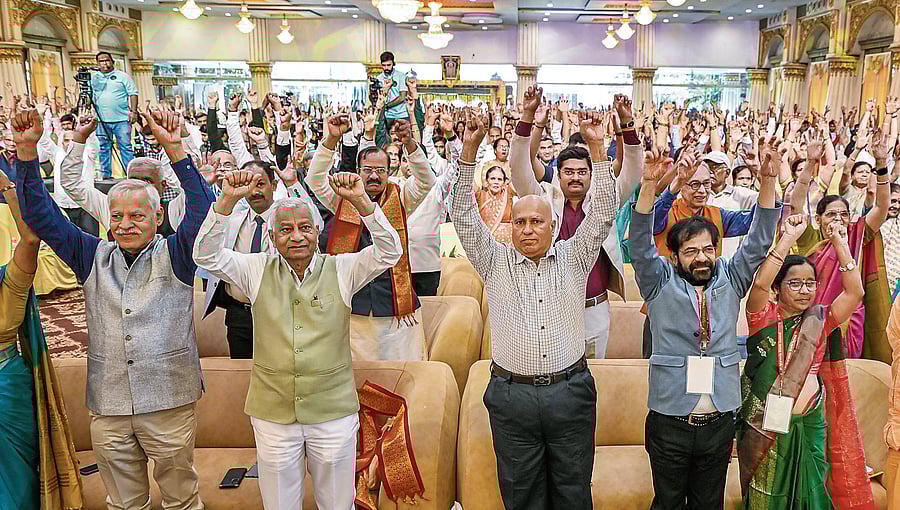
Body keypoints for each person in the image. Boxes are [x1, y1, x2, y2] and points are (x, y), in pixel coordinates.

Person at [13, 107, 214, 510]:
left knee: (181, 500)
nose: (125, 224)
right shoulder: (90, 255)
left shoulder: (177, 253)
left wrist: (176, 151)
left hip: (169, 399)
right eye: (117, 216)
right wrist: (26, 152)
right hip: (109, 403)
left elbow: (205, 210)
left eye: (137, 215)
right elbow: (41, 215)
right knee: (123, 503)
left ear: (157, 217)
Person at [194, 168, 401, 508]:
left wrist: (363, 202)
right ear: (273, 237)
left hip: (333, 413)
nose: (297, 236)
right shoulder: (256, 269)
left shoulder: (342, 269)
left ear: (318, 232)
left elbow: (389, 252)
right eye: (286, 230)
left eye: (305, 228)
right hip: (273, 415)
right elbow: (205, 255)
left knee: (337, 504)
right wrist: (227, 201)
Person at [452, 109, 617, 508]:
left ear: (553, 226)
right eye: (520, 222)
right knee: (521, 496)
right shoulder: (495, 261)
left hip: (570, 392)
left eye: (536, 223)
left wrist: (597, 147)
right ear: (510, 227)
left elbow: (603, 212)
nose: (527, 230)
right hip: (513, 399)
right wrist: (470, 152)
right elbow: (461, 215)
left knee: (573, 494)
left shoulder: (575, 256)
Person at [631, 142, 780, 510]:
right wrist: (649, 187)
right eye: (690, 251)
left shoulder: (731, 279)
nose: (701, 257)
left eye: (707, 249)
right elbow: (639, 246)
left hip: (717, 421)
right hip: (670, 421)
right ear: (676, 256)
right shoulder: (660, 282)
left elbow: (760, 240)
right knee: (667, 503)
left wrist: (768, 181)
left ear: (717, 250)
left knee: (708, 503)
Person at [737, 213, 872, 509]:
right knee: (765, 497)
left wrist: (840, 243)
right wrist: (787, 238)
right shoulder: (762, 317)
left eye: (810, 284)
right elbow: (759, 286)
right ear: (778, 288)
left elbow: (855, 292)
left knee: (812, 495)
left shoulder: (820, 320)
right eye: (795, 284)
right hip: (764, 426)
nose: (804, 290)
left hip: (810, 422)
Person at [511, 87, 643, 359]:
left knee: (591, 385)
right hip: (551, 307)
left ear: (591, 175)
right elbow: (518, 167)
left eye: (582, 172)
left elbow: (632, 170)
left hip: (595, 309)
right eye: (568, 172)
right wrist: (528, 117)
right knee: (554, 382)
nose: (575, 178)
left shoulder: (603, 203)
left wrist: (626, 126)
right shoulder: (544, 203)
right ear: (557, 175)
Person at [308, 115, 434, 361]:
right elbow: (315, 179)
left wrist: (409, 144)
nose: (374, 176)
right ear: (357, 171)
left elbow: (426, 180)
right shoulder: (342, 198)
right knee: (353, 376)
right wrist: (332, 138)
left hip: (395, 306)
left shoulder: (401, 198)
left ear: (390, 172)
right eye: (368, 170)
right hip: (352, 304)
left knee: (397, 376)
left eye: (380, 171)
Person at [0, 165, 83, 509]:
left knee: (16, 489)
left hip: (5, 389)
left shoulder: (9, 283)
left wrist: (6, 186)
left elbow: (31, 239)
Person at [200, 158, 322, 359]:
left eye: (261, 184)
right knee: (243, 376)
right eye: (249, 185)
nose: (255, 191)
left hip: (283, 312)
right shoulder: (231, 216)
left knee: (282, 373)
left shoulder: (288, 218)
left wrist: (292, 184)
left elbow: (315, 220)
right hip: (240, 314)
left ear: (273, 185)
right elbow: (203, 243)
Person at [791, 128, 892, 362]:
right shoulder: (812, 239)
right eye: (831, 215)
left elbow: (882, 206)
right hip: (812, 319)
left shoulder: (858, 234)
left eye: (844, 214)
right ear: (818, 220)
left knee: (845, 380)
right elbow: (796, 204)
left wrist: (880, 162)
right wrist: (810, 163)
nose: (838, 219)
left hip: (849, 324)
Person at [61, 114, 183, 236]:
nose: (140, 186)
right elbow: (72, 183)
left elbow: (195, 191)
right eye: (134, 180)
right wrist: (80, 137)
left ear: (163, 186)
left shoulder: (173, 211)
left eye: (147, 181)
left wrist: (176, 145)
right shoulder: (110, 209)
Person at [91, 51, 138, 178]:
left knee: (126, 147)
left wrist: (133, 111)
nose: (104, 63)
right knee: (103, 148)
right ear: (97, 63)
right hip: (101, 120)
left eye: (106, 60)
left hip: (121, 119)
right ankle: (106, 176)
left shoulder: (122, 76)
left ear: (112, 62)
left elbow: (133, 93)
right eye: (101, 61)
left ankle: (131, 175)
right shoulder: (94, 78)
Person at [476, 165, 515, 244]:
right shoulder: (481, 195)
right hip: (486, 244)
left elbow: (520, 175)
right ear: (487, 181)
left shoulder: (508, 194)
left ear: (504, 183)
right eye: (492, 179)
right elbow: (467, 180)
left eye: (499, 179)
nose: (496, 182)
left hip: (508, 245)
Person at [378, 51, 409, 133]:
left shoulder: (401, 76)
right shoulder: (379, 78)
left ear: (393, 63)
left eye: (389, 65)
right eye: (384, 65)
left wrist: (387, 106)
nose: (386, 68)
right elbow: (380, 98)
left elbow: (402, 97)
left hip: (402, 114)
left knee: (404, 139)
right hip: (387, 116)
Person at [882, 183, 900, 300]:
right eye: (893, 201)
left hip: (894, 282)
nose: (897, 206)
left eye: (899, 202)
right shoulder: (869, 219)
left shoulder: (896, 223)